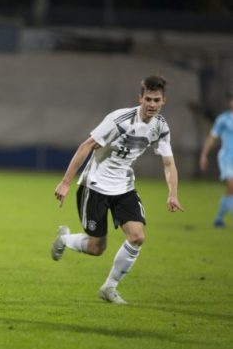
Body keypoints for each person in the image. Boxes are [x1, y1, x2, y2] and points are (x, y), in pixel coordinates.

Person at [52, 75, 183, 304]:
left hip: (124, 187)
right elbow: (87, 145)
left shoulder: (161, 127)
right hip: (95, 186)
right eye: (148, 99)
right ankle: (65, 239)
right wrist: (65, 182)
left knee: (137, 237)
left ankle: (109, 287)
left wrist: (172, 193)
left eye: (157, 100)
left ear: (164, 101)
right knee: (96, 248)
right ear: (140, 98)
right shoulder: (120, 119)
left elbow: (168, 163)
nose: (152, 104)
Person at [199, 95, 233, 227]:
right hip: (227, 156)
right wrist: (204, 155)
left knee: (230, 190)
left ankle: (218, 218)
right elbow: (212, 137)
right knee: (231, 185)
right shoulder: (223, 119)